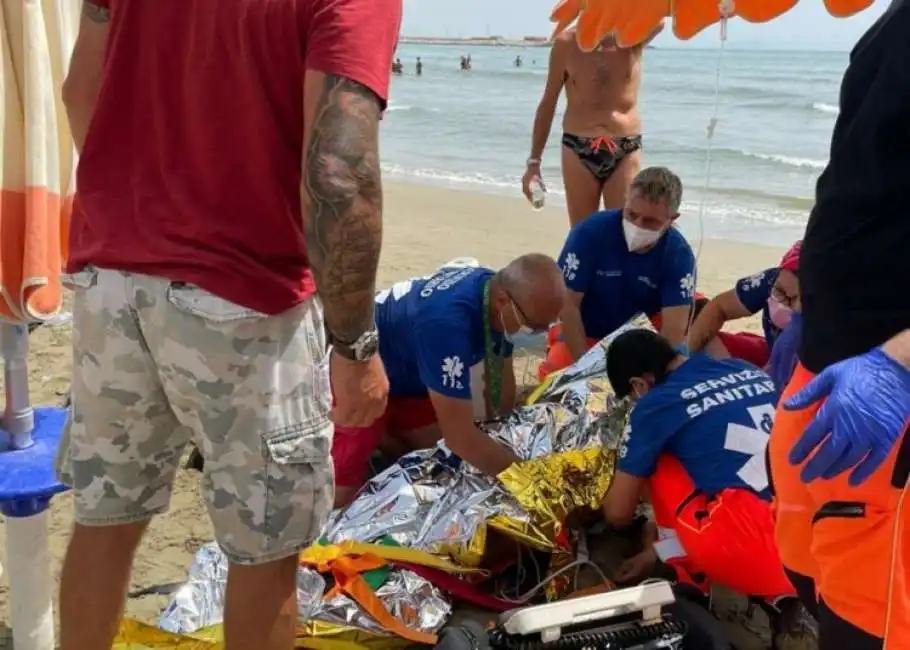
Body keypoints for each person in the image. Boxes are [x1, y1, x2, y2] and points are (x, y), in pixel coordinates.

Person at [57, 1, 400, 649]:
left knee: (104, 523)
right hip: (246, 297)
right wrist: (355, 345)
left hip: (110, 280)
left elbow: (81, 94)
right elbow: (339, 173)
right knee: (265, 552)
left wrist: (148, 206)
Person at [769, 2, 910, 647]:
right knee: (809, 578)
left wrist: (901, 363)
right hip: (826, 360)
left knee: (870, 626)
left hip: (890, 388)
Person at [601, 330, 812, 645]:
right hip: (817, 540)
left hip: (759, 555)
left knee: (658, 460)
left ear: (638, 384)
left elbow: (618, 513)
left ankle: (690, 577)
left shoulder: (656, 404)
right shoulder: (743, 367)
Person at [332, 255, 566, 506]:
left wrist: (503, 434)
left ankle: (388, 432)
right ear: (502, 301)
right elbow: (461, 439)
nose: (539, 335)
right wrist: (531, 482)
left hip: (411, 376)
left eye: (547, 327)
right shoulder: (447, 325)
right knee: (341, 494)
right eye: (535, 327)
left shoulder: (496, 294)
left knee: (443, 455)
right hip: (359, 373)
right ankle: (375, 431)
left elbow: (502, 377)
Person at [540, 166, 695, 380]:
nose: (637, 225)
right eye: (631, 214)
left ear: (672, 218)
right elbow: (567, 305)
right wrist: (584, 368)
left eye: (651, 221)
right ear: (625, 201)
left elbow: (673, 333)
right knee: (555, 379)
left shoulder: (679, 255)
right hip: (586, 331)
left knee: (675, 375)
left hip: (642, 338)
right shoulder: (589, 233)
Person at [521, 24, 663, 226]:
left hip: (625, 146)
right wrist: (533, 164)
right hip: (578, 146)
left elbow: (660, 17)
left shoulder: (633, 35)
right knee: (583, 233)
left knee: (623, 233)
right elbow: (548, 102)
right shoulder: (566, 43)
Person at [688, 241, 802, 371]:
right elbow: (719, 307)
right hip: (771, 354)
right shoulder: (770, 280)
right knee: (704, 340)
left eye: (803, 298)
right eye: (782, 293)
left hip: (811, 371)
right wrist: (684, 361)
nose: (791, 306)